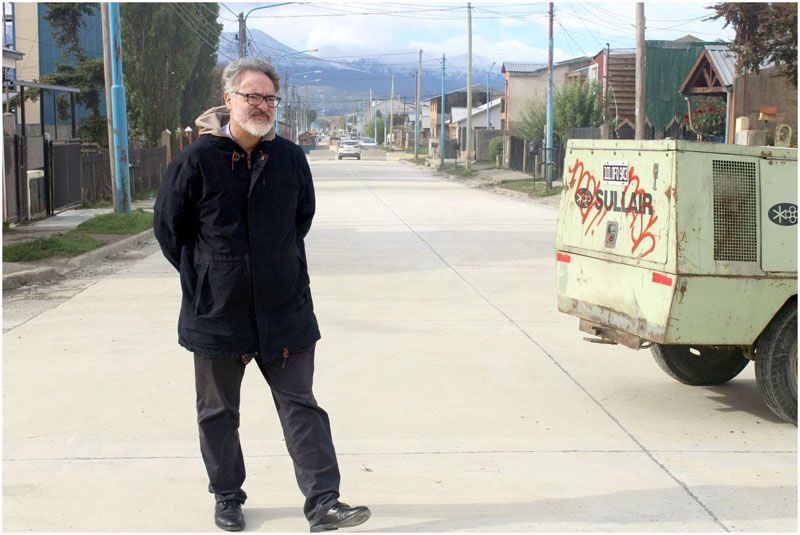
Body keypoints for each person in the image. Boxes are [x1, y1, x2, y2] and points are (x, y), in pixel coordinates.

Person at [153, 57, 370, 533]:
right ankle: (227, 497)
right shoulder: (194, 161)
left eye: (269, 97)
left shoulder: (290, 158)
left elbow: (301, 221)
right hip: (218, 311)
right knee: (218, 412)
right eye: (251, 95)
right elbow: (170, 231)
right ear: (228, 99)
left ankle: (324, 503)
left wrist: (276, 267)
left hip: (284, 308)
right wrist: (212, 276)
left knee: (301, 406)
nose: (261, 105)